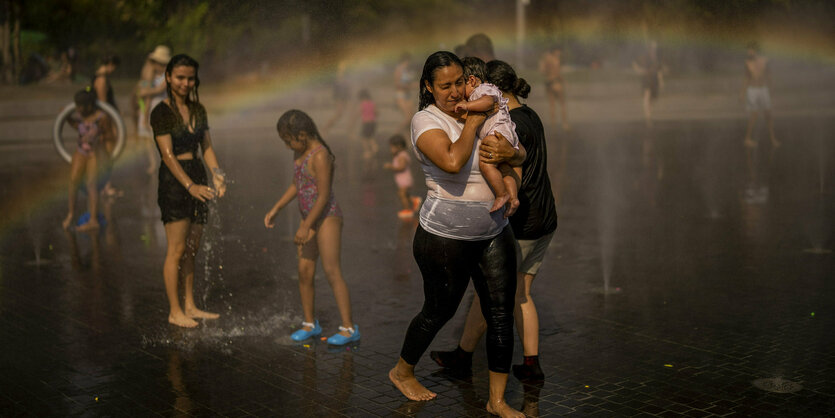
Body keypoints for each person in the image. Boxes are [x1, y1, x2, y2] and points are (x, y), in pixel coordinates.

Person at [388, 51, 525, 418]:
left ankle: (496, 401)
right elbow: (452, 160)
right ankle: (402, 370)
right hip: (444, 236)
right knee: (438, 311)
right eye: (444, 86)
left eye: (458, 82)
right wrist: (472, 122)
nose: (453, 92)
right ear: (429, 88)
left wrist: (513, 150)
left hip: (494, 230)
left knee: (499, 313)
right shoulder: (424, 120)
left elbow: (519, 153)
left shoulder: (481, 106)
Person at [431, 60, 558, 385]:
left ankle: (520, 363)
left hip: (522, 222)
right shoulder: (530, 114)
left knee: (508, 294)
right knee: (505, 292)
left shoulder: (509, 123)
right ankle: (470, 355)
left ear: (495, 89)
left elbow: (508, 159)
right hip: (544, 217)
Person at [264, 109, 360, 346]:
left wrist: (306, 226)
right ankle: (310, 323)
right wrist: (276, 207)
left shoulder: (320, 156)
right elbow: (296, 185)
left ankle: (349, 327)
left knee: (331, 270)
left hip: (327, 217)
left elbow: (324, 195)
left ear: (303, 135)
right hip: (308, 219)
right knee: (305, 272)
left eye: (288, 140)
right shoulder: (299, 152)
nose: (287, 146)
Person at [150, 54, 226, 328]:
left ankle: (190, 305)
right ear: (168, 77)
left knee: (192, 249)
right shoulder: (161, 111)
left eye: (190, 78)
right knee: (177, 249)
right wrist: (190, 186)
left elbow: (206, 146)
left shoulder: (198, 109)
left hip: (198, 177)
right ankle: (174, 311)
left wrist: (217, 175)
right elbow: (167, 156)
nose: (185, 83)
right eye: (180, 77)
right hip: (175, 182)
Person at [454, 56, 521, 214]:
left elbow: (488, 103)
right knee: (505, 168)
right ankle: (513, 198)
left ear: (471, 80)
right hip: (505, 134)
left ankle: (501, 194)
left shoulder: (482, 90)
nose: (459, 91)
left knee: (486, 163)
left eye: (460, 84)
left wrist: (467, 105)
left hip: (498, 132)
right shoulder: (480, 91)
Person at [62, 87, 113, 231]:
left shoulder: (101, 117)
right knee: (73, 181)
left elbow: (110, 136)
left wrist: (107, 154)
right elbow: (78, 126)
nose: (78, 109)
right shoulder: (80, 116)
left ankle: (93, 220)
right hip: (81, 151)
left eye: (80, 106)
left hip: (95, 152)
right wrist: (66, 117)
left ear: (89, 105)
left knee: (92, 184)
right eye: (76, 106)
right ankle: (71, 214)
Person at [136, 46, 171, 174]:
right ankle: (154, 162)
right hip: (149, 105)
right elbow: (145, 88)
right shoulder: (152, 73)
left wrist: (145, 92)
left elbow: (160, 90)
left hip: (160, 106)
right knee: (147, 137)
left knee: (161, 136)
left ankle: (165, 161)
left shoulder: (168, 73)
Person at [92, 55, 122, 197]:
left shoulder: (98, 77)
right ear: (110, 64)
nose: (113, 70)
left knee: (105, 154)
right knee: (107, 153)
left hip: (104, 120)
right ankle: (105, 186)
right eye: (114, 67)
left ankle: (104, 185)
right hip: (105, 121)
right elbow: (103, 104)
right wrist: (109, 126)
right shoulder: (102, 79)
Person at [742, 42, 779, 150]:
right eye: (748, 50)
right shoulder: (747, 62)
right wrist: (742, 92)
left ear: (756, 50)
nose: (749, 52)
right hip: (752, 90)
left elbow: (769, 74)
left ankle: (773, 139)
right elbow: (746, 78)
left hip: (763, 89)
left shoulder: (764, 60)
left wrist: (772, 88)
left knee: (768, 114)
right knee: (754, 115)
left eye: (751, 49)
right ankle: (747, 139)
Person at [383, 134, 421, 219]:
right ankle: (414, 201)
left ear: (399, 146)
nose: (391, 149)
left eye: (392, 147)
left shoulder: (402, 156)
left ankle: (407, 210)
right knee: (405, 194)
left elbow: (401, 167)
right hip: (403, 180)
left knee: (402, 194)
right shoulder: (399, 155)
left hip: (405, 180)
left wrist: (390, 166)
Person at [632, 41, 664, 128]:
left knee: (653, 98)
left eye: (655, 48)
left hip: (654, 80)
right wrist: (640, 71)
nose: (654, 49)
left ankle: (649, 114)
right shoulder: (644, 57)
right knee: (647, 96)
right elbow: (635, 64)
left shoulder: (657, 58)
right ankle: (648, 117)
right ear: (650, 48)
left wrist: (661, 81)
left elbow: (659, 70)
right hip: (646, 79)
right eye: (653, 48)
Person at [538, 45, 569, 130]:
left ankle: (553, 125)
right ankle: (565, 124)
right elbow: (557, 72)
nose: (560, 53)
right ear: (556, 51)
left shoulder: (546, 58)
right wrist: (564, 81)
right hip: (556, 82)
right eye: (559, 51)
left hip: (548, 83)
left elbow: (542, 71)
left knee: (552, 105)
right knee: (562, 104)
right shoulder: (555, 60)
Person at [394, 53, 417, 133]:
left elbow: (409, 83)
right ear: (406, 60)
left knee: (412, 118)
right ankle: (396, 132)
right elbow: (397, 84)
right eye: (408, 61)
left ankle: (408, 139)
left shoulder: (407, 70)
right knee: (408, 117)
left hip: (408, 95)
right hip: (401, 96)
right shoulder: (399, 69)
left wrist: (416, 84)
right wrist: (410, 86)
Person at [357, 89, 379, 161]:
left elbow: (359, 112)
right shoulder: (372, 103)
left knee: (364, 138)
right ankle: (375, 148)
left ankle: (367, 152)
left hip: (366, 123)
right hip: (373, 123)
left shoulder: (363, 104)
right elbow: (377, 112)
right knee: (371, 137)